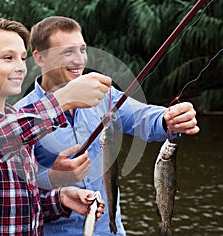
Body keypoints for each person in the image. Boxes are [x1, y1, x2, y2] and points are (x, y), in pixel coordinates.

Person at [16, 16, 200, 235]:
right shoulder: (20, 116)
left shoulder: (105, 97)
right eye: (67, 52)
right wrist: (54, 179)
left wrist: (169, 118)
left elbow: (143, 117)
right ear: (40, 58)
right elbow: (16, 191)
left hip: (110, 230)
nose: (79, 60)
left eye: (82, 49)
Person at [0, 17, 109, 235]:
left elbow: (22, 206)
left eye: (22, 58)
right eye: (8, 58)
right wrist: (61, 100)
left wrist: (60, 198)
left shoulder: (19, 121)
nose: (20, 67)